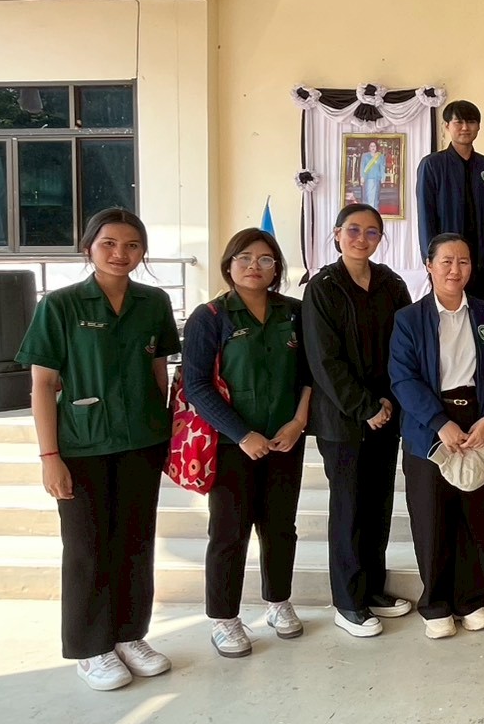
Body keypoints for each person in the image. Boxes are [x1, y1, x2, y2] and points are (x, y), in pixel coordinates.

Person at [17, 208, 180, 690]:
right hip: (82, 445)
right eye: (109, 243)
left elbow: (159, 371)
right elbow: (42, 385)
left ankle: (129, 635)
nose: (120, 253)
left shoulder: (153, 302)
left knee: (136, 542)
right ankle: (91, 648)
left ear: (143, 251)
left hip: (141, 441)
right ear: (88, 246)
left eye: (131, 245)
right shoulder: (61, 305)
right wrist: (50, 458)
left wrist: (165, 431)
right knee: (87, 547)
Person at [182, 229, 312, 659]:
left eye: (265, 259)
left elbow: (310, 375)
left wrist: (298, 423)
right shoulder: (210, 316)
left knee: (281, 527)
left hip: (284, 441)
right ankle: (224, 619)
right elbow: (197, 385)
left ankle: (278, 602)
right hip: (229, 445)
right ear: (229, 264)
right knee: (228, 532)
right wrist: (241, 434)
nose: (255, 266)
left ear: (277, 268)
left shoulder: (294, 312)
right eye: (245, 258)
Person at [389, 235, 484, 639]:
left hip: (478, 420)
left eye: (463, 261)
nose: (455, 270)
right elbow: (403, 379)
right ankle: (436, 604)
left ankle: (471, 599)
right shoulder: (409, 319)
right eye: (446, 261)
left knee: (477, 515)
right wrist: (440, 422)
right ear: (429, 265)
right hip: (430, 425)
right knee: (432, 517)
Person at [304, 202, 414, 638]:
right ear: (336, 234)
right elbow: (324, 360)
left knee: (378, 504)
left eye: (371, 232)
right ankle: (348, 601)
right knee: (349, 507)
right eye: (353, 229)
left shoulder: (391, 284)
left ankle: (374, 589)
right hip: (343, 419)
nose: (361, 239)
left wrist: (389, 403)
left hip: (387, 414)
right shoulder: (323, 287)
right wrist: (365, 406)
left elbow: (405, 345)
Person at [415, 99, 484, 298]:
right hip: (448, 263)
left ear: (478, 126)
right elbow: (425, 216)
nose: (465, 128)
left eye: (471, 122)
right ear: (447, 126)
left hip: (483, 262)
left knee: (480, 310)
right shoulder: (432, 165)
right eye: (459, 122)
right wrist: (431, 259)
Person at [360, 140, 387, 210]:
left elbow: (382, 167)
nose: (373, 147)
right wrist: (362, 176)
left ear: (376, 147)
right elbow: (362, 166)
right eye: (371, 146)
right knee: (367, 196)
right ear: (369, 147)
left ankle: (375, 211)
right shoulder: (365, 155)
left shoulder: (380, 156)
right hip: (368, 179)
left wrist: (383, 178)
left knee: (376, 196)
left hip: (376, 179)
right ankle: (366, 211)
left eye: (374, 146)